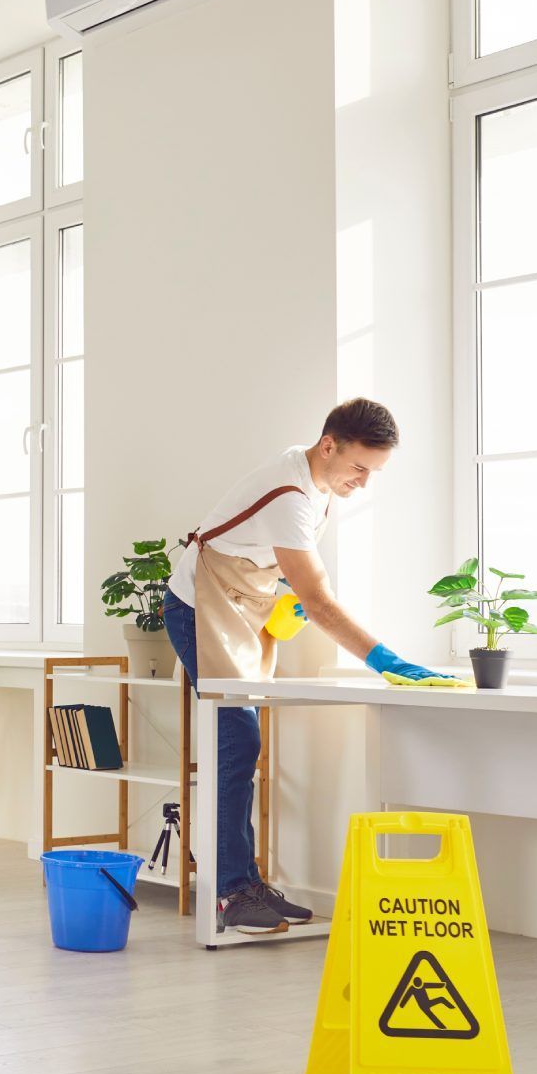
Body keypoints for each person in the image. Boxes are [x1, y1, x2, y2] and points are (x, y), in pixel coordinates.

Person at [164, 397, 455, 934]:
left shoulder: (314, 481)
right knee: (236, 739)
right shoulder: (291, 495)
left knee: (241, 742)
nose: (364, 483)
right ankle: (230, 893)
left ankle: (244, 882)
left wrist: (281, 599)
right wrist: (385, 661)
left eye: (374, 472)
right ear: (329, 445)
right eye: (359, 468)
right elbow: (319, 600)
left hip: (239, 605)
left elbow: (278, 566)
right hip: (196, 605)